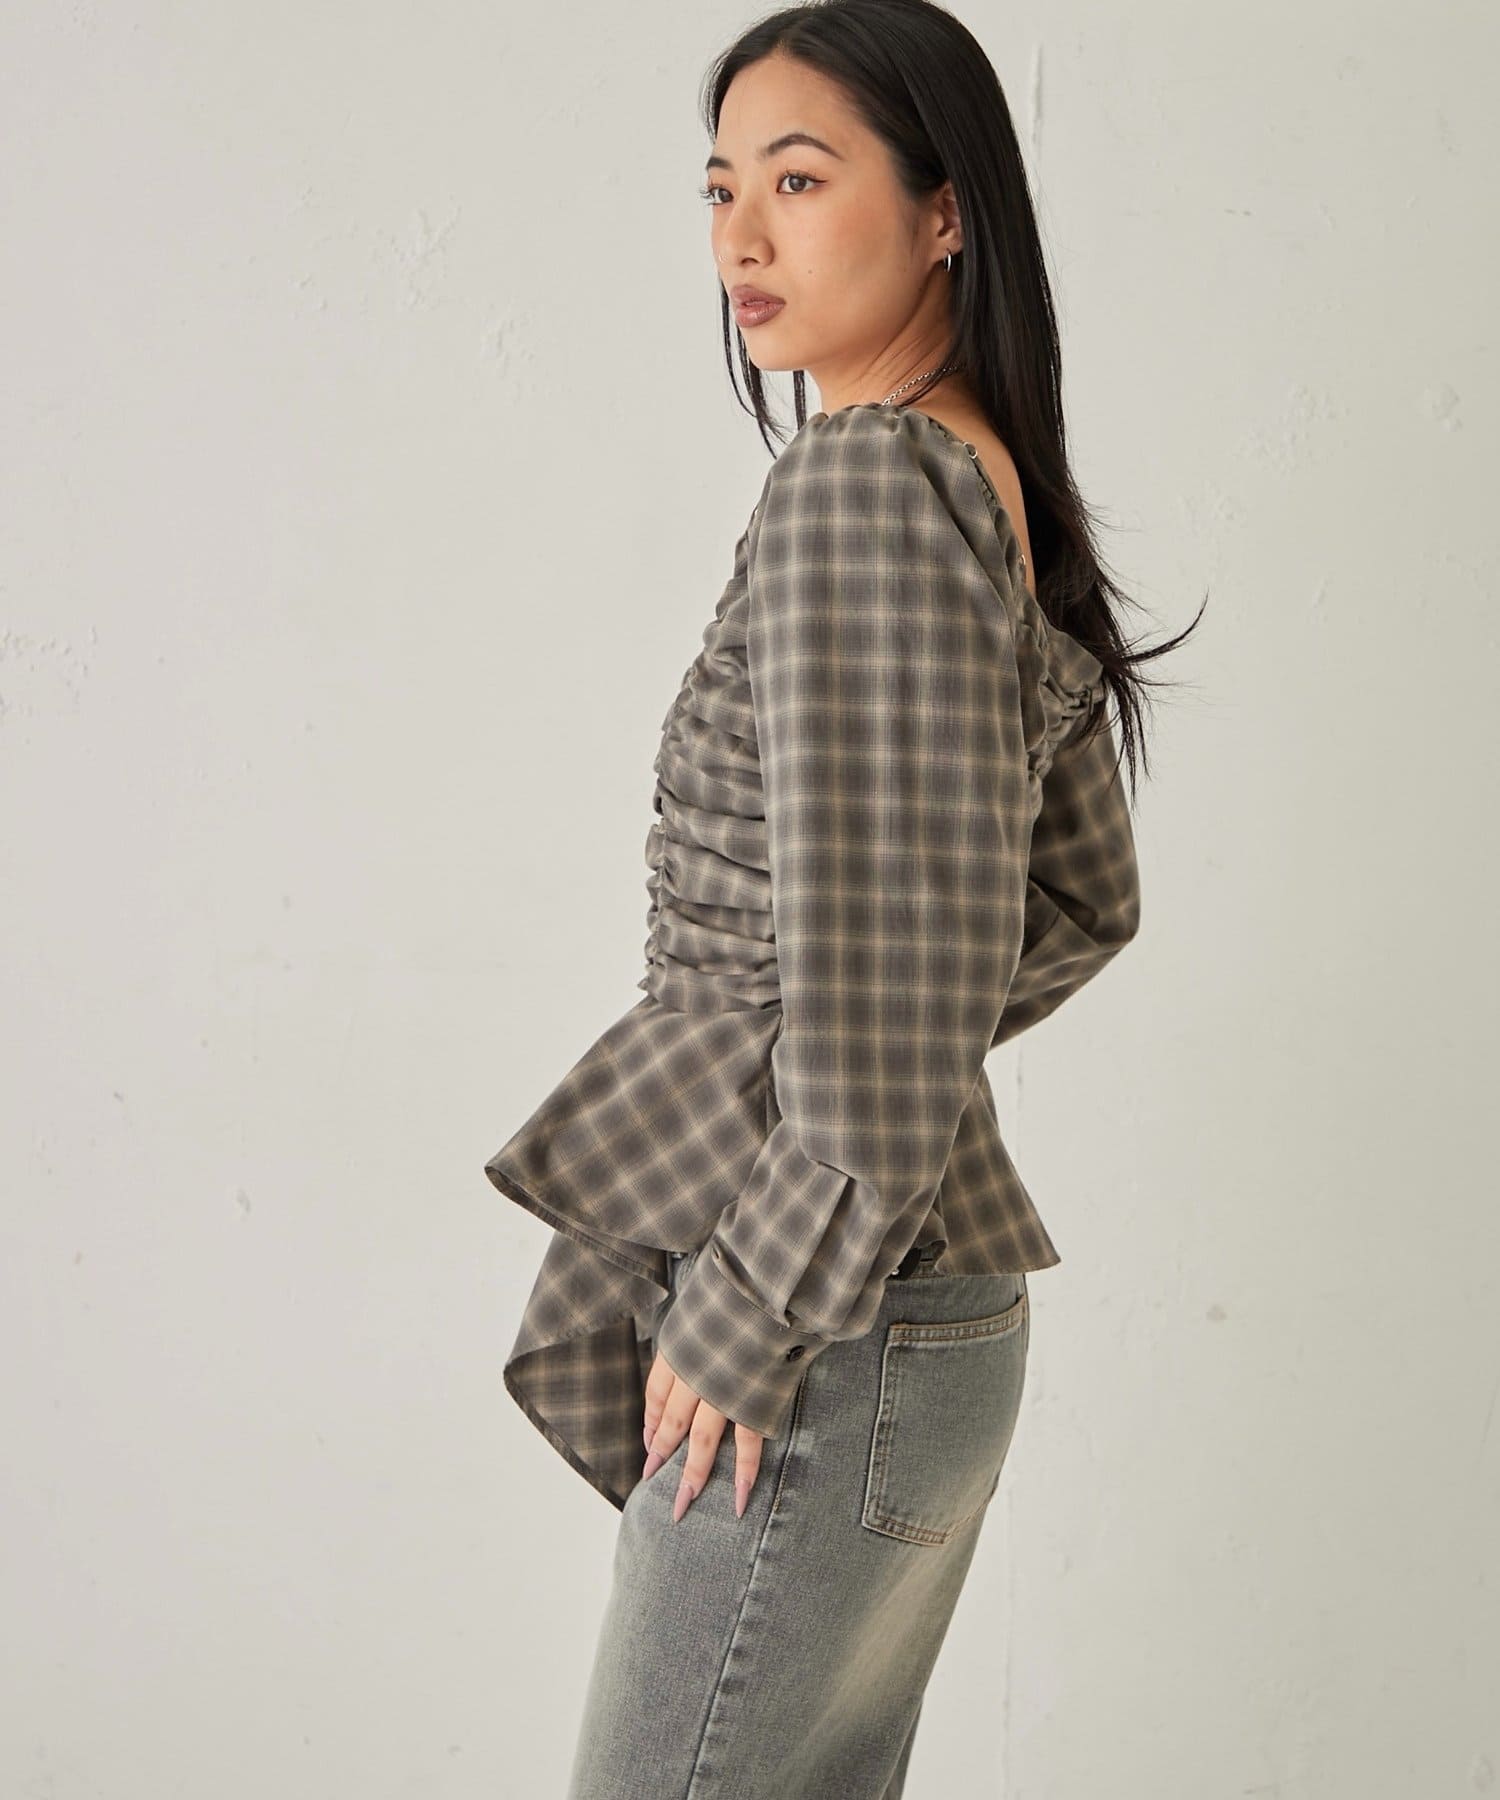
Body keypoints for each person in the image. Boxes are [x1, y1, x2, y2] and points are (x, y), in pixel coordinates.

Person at [484, 4, 1202, 1793]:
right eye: (720, 188)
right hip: (923, 1329)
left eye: (799, 182)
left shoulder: (864, 486)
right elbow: (1074, 902)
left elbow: (907, 1005)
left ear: (946, 210)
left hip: (827, 1329)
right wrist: (857, 1044)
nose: (742, 236)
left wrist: (750, 1297)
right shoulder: (982, 482)